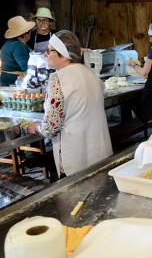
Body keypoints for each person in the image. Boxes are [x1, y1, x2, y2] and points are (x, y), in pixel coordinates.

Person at [27, 30, 112, 178]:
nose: (45, 54)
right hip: (100, 150)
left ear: (64, 55)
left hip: (75, 156)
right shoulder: (90, 73)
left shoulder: (58, 79)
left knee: (77, 197)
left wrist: (36, 127)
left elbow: (51, 128)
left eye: (49, 50)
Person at [1, 16, 34, 86]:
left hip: (5, 79)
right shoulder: (18, 46)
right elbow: (26, 67)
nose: (31, 33)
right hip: (12, 82)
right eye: (30, 32)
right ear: (25, 33)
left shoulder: (10, 42)